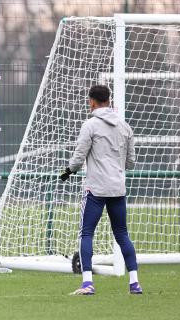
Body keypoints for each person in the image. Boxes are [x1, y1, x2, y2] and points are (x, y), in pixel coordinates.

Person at [60, 85, 142, 295]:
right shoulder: (125, 127)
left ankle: (87, 283)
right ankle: (134, 283)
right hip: (117, 189)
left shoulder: (90, 125)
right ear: (109, 100)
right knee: (122, 234)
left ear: (93, 102)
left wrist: (67, 171)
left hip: (96, 189)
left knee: (86, 233)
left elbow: (79, 158)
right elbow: (131, 162)